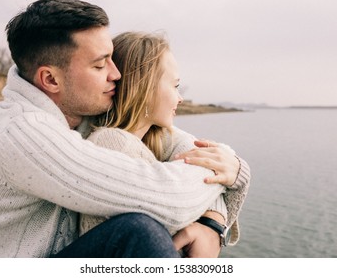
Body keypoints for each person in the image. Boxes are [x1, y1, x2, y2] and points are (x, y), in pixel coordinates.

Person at [0, 0, 250, 258]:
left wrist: (216, 213)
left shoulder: (80, 110)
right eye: (100, 66)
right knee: (137, 232)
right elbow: (165, 198)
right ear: (50, 80)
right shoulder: (23, 135)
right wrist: (222, 175)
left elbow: (186, 146)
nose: (117, 74)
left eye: (111, 58)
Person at [78, 32, 249, 256]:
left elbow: (204, 152)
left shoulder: (154, 139)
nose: (181, 98)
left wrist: (232, 171)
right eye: (175, 86)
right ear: (144, 88)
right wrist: (231, 176)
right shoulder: (111, 143)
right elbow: (176, 211)